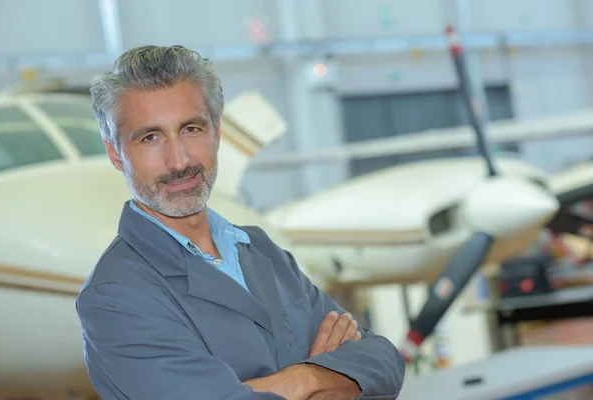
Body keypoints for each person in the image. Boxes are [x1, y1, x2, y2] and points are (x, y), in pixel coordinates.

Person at [76, 45, 406, 400]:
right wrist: (327, 377)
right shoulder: (115, 296)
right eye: (150, 137)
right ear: (115, 152)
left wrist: (300, 380)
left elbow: (385, 361)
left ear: (217, 131)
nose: (179, 160)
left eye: (191, 128)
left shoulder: (260, 249)